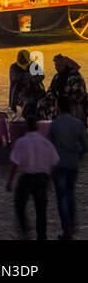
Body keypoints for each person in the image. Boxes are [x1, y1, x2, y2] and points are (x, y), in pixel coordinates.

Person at [8, 122, 60, 240]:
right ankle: (42, 236)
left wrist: (10, 181)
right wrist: (49, 179)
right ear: (37, 128)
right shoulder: (46, 142)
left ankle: (25, 228)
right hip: (42, 178)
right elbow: (54, 161)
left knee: (19, 204)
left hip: (26, 178)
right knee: (41, 209)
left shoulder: (21, 142)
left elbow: (15, 163)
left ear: (26, 128)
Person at [48, 95, 88, 239]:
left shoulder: (54, 124)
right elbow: (84, 145)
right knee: (71, 195)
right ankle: (72, 224)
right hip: (72, 164)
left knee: (61, 198)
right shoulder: (78, 124)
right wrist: (80, 156)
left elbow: (49, 146)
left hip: (58, 165)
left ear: (58, 107)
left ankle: (66, 229)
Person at [9, 49, 46, 123]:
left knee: (44, 100)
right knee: (29, 102)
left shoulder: (33, 65)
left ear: (27, 57)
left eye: (22, 57)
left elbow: (41, 75)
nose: (19, 58)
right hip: (20, 93)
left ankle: (39, 120)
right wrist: (31, 77)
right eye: (18, 56)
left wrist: (27, 78)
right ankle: (27, 121)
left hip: (35, 91)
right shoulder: (14, 67)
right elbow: (15, 78)